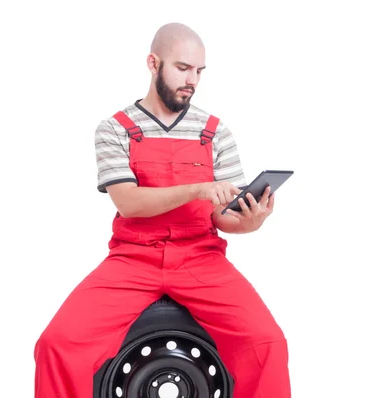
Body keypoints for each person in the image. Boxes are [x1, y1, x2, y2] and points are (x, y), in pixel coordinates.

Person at [33, 22, 291, 398]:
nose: (193, 80)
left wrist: (248, 221)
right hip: (133, 259)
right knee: (56, 345)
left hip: (200, 258)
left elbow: (223, 216)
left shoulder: (216, 132)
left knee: (267, 343)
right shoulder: (115, 129)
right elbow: (129, 202)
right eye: (182, 68)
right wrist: (199, 188)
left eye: (199, 71)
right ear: (153, 63)